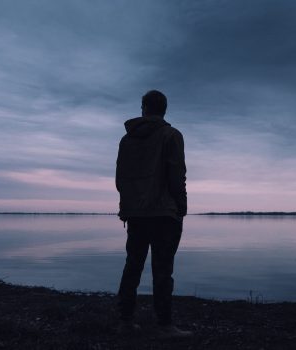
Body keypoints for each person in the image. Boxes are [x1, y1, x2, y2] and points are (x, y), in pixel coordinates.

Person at [116, 90, 191, 338]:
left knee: (132, 267)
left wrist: (129, 205)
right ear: (164, 109)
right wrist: (181, 207)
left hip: (136, 214)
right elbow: (176, 175)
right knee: (162, 270)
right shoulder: (171, 135)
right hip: (163, 214)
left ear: (143, 108)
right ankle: (165, 325)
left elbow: (120, 180)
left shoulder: (126, 141)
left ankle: (125, 321)